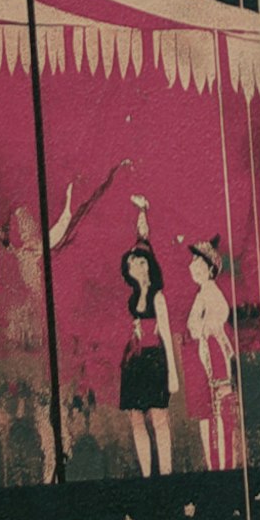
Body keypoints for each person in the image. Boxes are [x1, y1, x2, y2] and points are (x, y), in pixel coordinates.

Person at [113, 198, 178, 478]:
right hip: (134, 363)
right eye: (132, 263)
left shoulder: (158, 297)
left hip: (154, 361)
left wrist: (173, 375)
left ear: (148, 265)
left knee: (159, 418)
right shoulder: (130, 300)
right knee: (136, 419)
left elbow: (164, 331)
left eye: (140, 261)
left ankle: (165, 474)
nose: (135, 266)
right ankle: (146, 476)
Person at [185, 233, 238, 469]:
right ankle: (216, 464)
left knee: (219, 409)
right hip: (208, 352)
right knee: (211, 411)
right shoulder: (203, 293)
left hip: (215, 353)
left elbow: (212, 321)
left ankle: (223, 463)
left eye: (197, 263)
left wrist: (205, 329)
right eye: (193, 263)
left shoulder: (210, 293)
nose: (192, 267)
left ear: (208, 269)